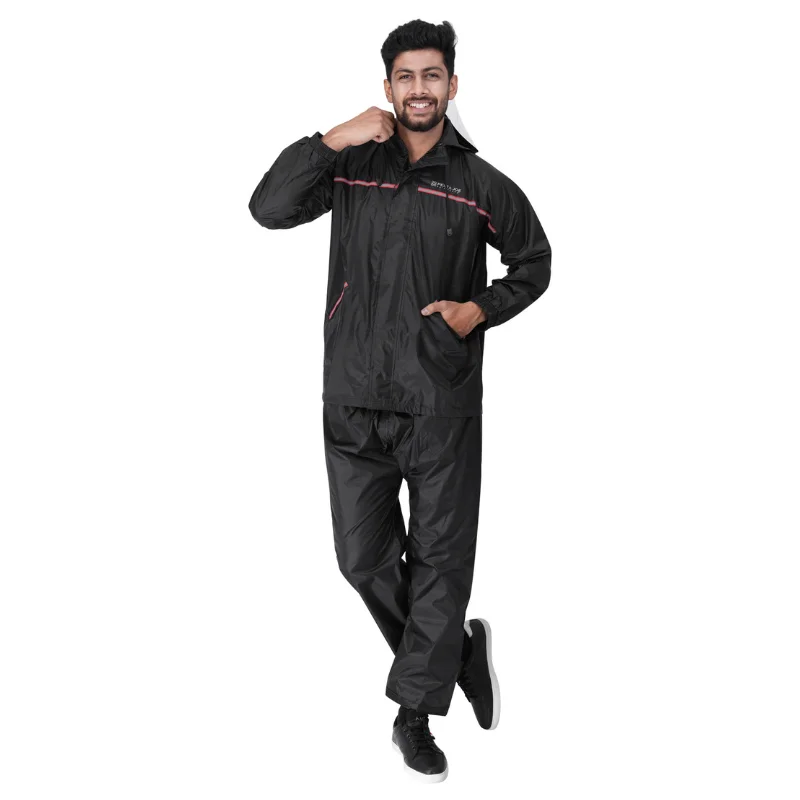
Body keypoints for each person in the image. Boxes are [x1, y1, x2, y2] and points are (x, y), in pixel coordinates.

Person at [248, 18, 551, 783]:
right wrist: (331, 137)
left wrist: (477, 310)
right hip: (353, 394)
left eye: (432, 75)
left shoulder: (480, 184)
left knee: (442, 561)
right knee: (362, 559)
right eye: (406, 76)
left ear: (453, 84)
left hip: (439, 397)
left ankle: (414, 715)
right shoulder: (352, 166)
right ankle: (456, 654)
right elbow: (268, 207)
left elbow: (534, 260)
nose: (420, 89)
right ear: (387, 86)